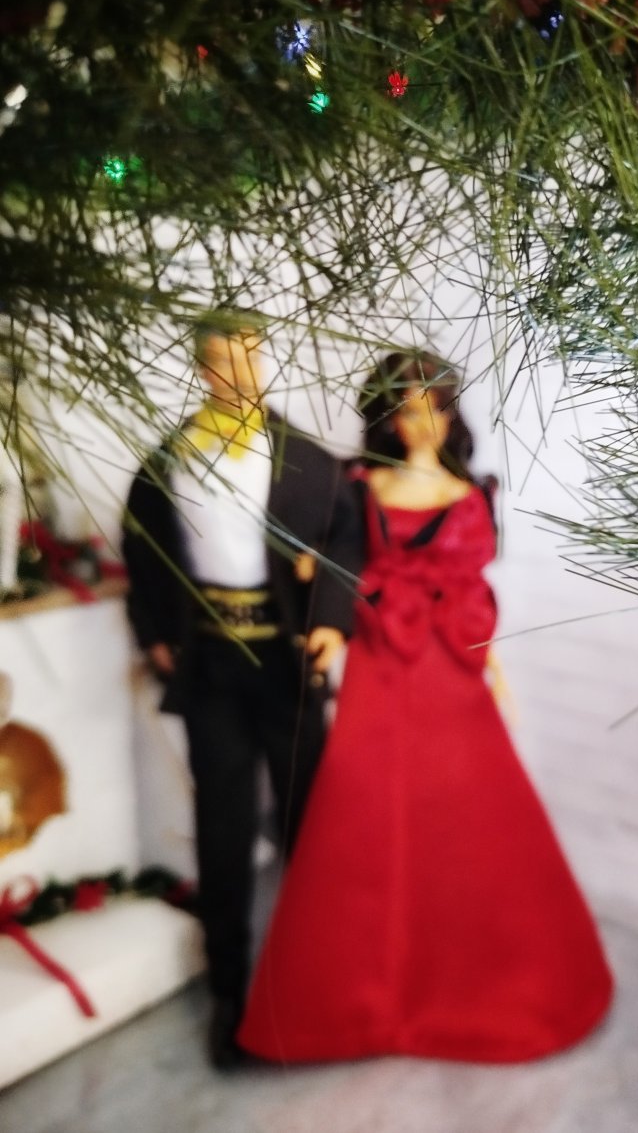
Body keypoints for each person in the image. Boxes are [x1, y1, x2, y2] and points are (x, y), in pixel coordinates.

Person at [238, 350, 614, 1064]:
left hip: (449, 666)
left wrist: (490, 661)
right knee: (363, 814)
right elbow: (336, 558)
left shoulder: (468, 493)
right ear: (387, 418)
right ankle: (356, 1007)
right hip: (381, 661)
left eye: (434, 408)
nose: (422, 423)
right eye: (407, 411)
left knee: (469, 821)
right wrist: (321, 589)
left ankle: (476, 987)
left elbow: (469, 587)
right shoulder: (358, 486)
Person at [121, 314, 363, 1069]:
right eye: (224, 362)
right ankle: (231, 993)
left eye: (252, 359)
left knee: (309, 820)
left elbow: (346, 539)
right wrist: (155, 632)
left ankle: (324, 975)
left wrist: (331, 620)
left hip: (287, 662)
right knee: (223, 829)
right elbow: (141, 550)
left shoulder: (308, 460)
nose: (240, 376)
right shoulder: (170, 459)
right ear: (202, 369)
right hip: (212, 667)